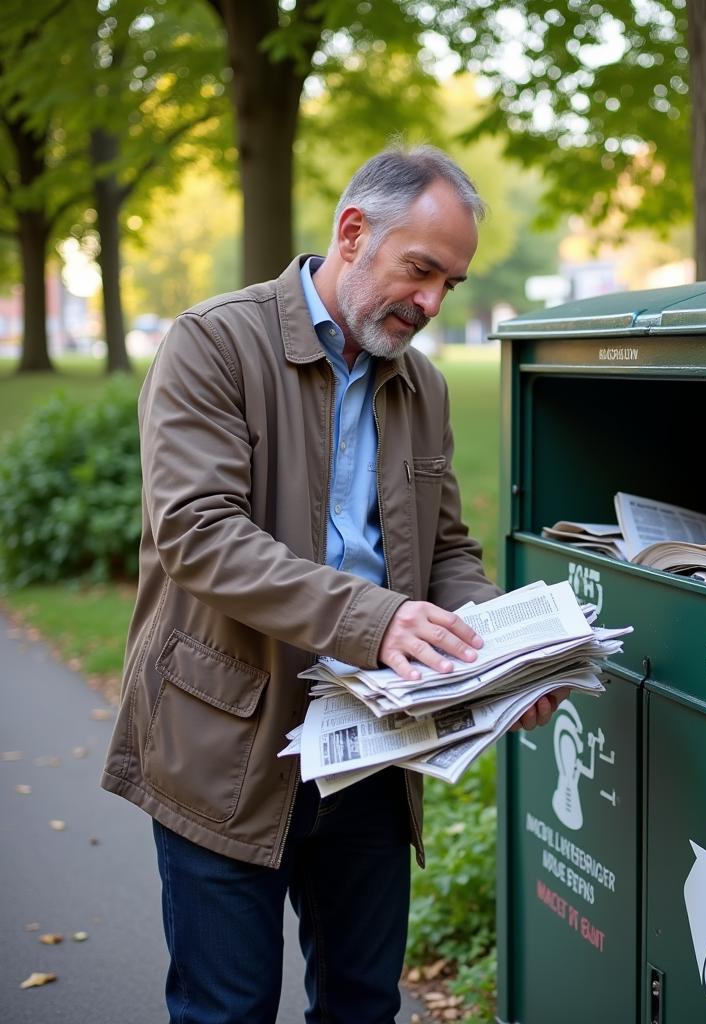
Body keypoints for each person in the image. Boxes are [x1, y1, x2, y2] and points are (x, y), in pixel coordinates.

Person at [102, 144, 565, 1024]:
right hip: (225, 743)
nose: (431, 304)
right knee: (226, 1010)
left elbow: (446, 548)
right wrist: (377, 618)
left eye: (449, 286)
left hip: (373, 753)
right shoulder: (214, 342)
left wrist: (500, 650)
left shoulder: (419, 385)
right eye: (421, 270)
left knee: (360, 1006)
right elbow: (198, 535)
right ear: (353, 233)